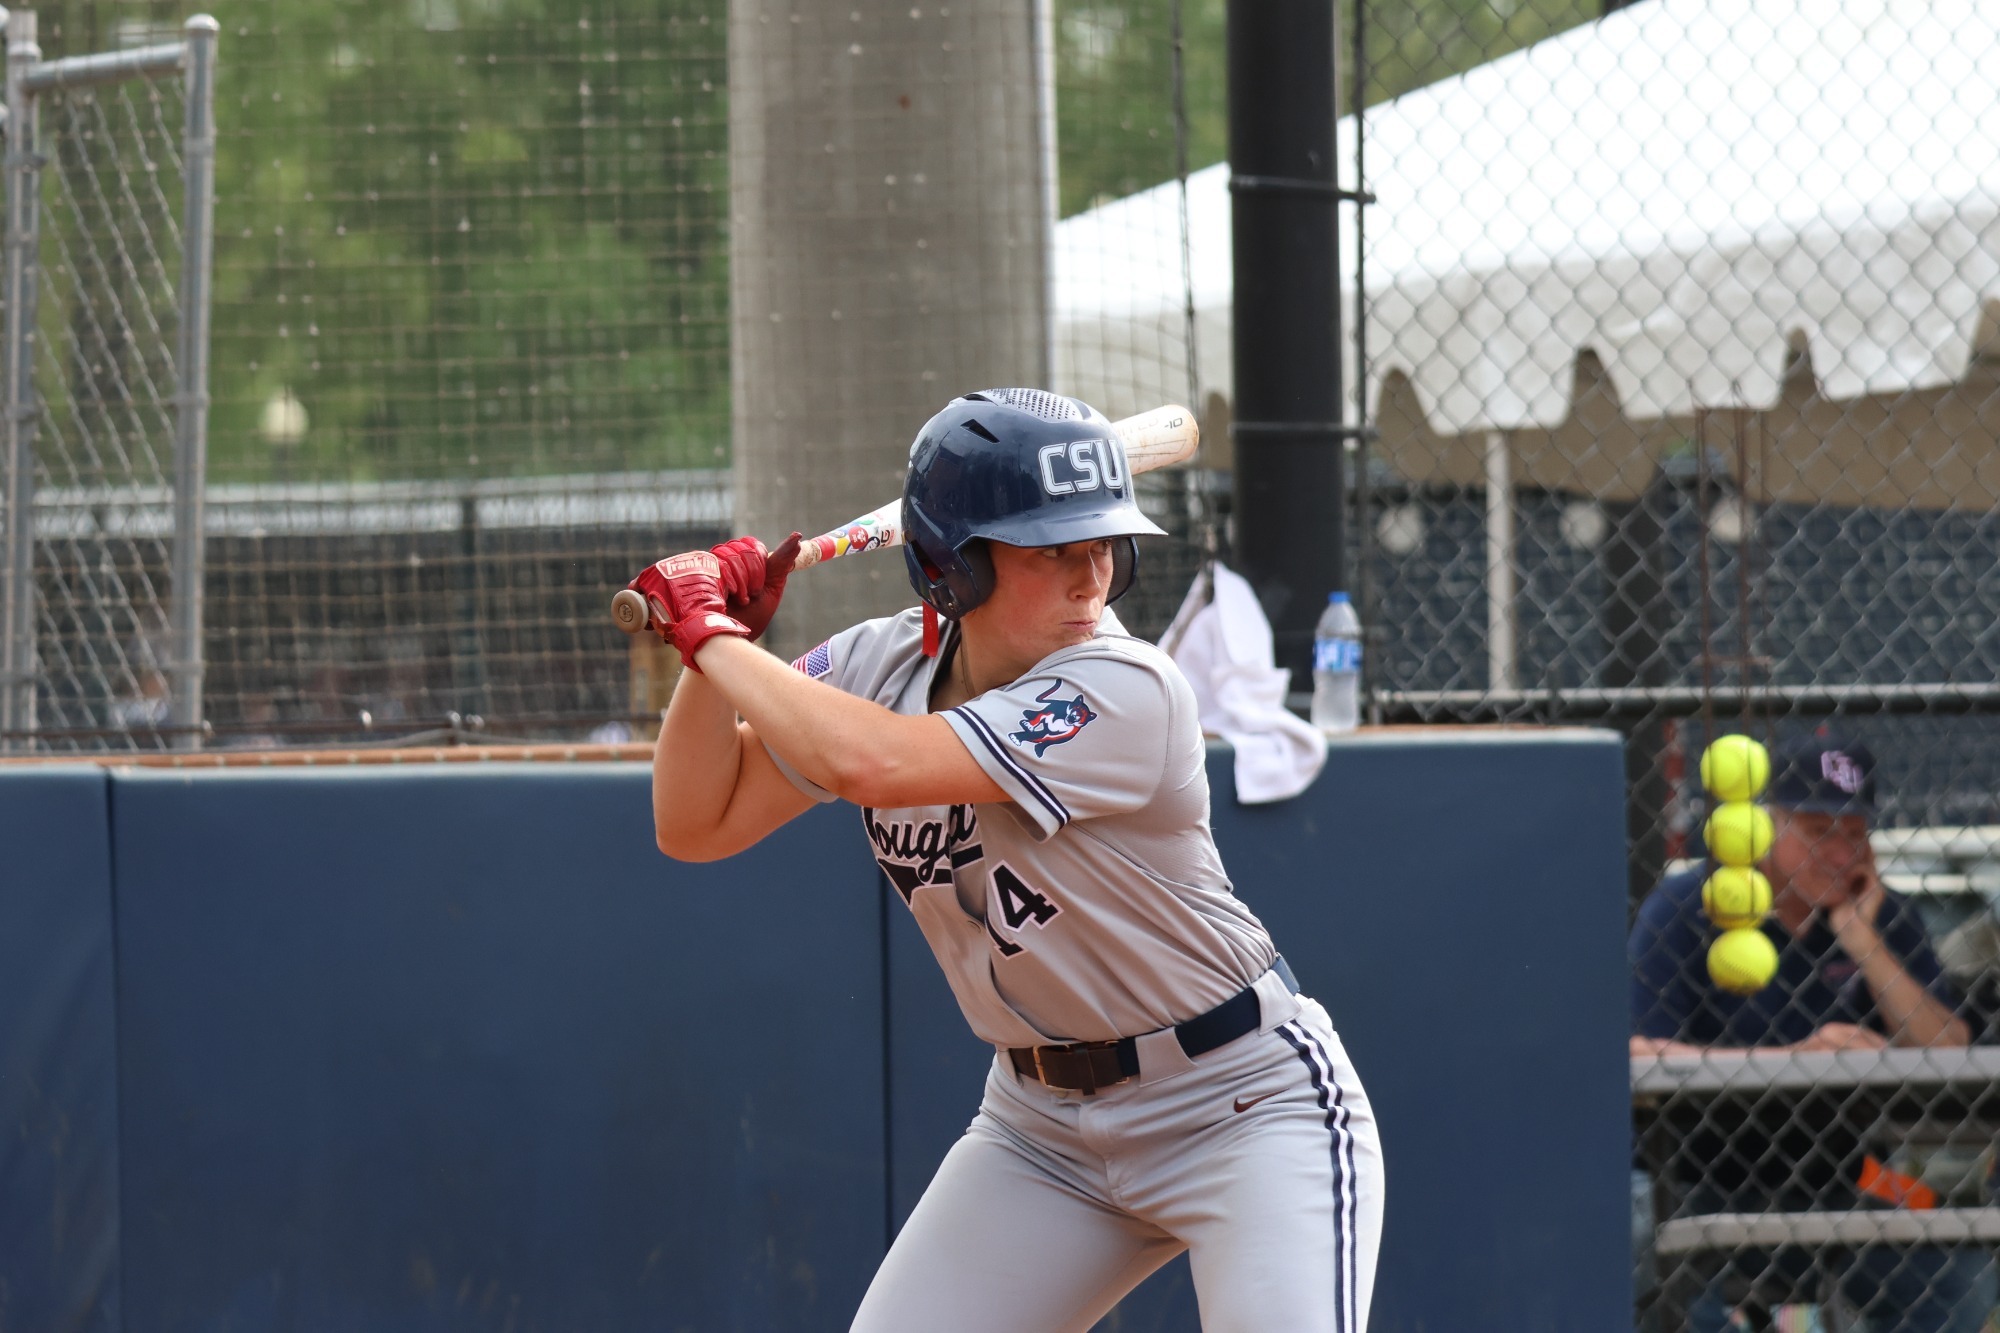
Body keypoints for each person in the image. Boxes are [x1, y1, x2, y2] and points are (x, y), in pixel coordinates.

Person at [629, 388, 1383, 1333]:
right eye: (1050, 548)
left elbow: (875, 762)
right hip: (1041, 1133)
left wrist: (708, 631)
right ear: (952, 570)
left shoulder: (1126, 686)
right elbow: (696, 822)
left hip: (1239, 1103)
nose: (1089, 577)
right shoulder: (880, 665)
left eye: (1103, 542)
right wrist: (716, 656)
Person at [1630, 733, 1992, 1333]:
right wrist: (1793, 1059)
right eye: (1817, 832)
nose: (1838, 855)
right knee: (1636, 1239)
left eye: (1853, 836)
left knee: (1958, 1271)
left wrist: (1863, 942)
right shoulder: (1689, 904)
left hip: (1837, 1178)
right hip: (1689, 1177)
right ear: (1769, 827)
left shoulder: (1884, 917)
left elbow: (1949, 1050)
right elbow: (1638, 1049)